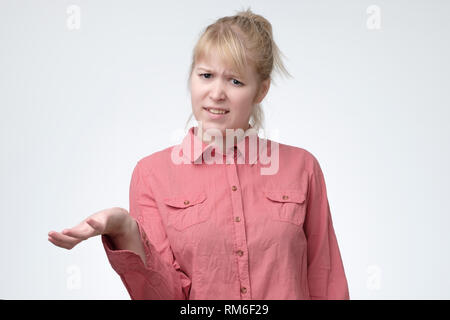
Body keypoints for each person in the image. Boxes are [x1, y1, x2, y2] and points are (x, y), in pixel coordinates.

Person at [48, 7, 350, 300]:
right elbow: (165, 296)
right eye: (206, 75)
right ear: (192, 78)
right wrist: (125, 231)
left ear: (261, 91)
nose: (216, 93)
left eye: (235, 81)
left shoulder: (303, 168)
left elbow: (326, 281)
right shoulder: (151, 175)